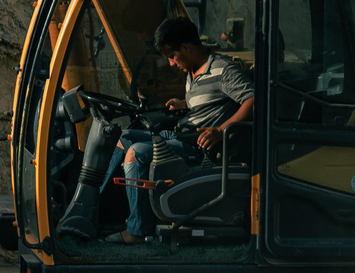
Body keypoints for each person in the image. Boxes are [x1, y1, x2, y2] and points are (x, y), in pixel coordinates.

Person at [58, 16, 257, 243]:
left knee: (136, 154)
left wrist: (221, 131)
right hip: (181, 133)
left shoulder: (223, 70)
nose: (171, 63)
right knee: (120, 137)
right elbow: (211, 101)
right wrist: (185, 104)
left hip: (198, 145)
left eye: (172, 56)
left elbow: (252, 98)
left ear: (186, 48)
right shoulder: (193, 71)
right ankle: (94, 207)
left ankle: (137, 230)